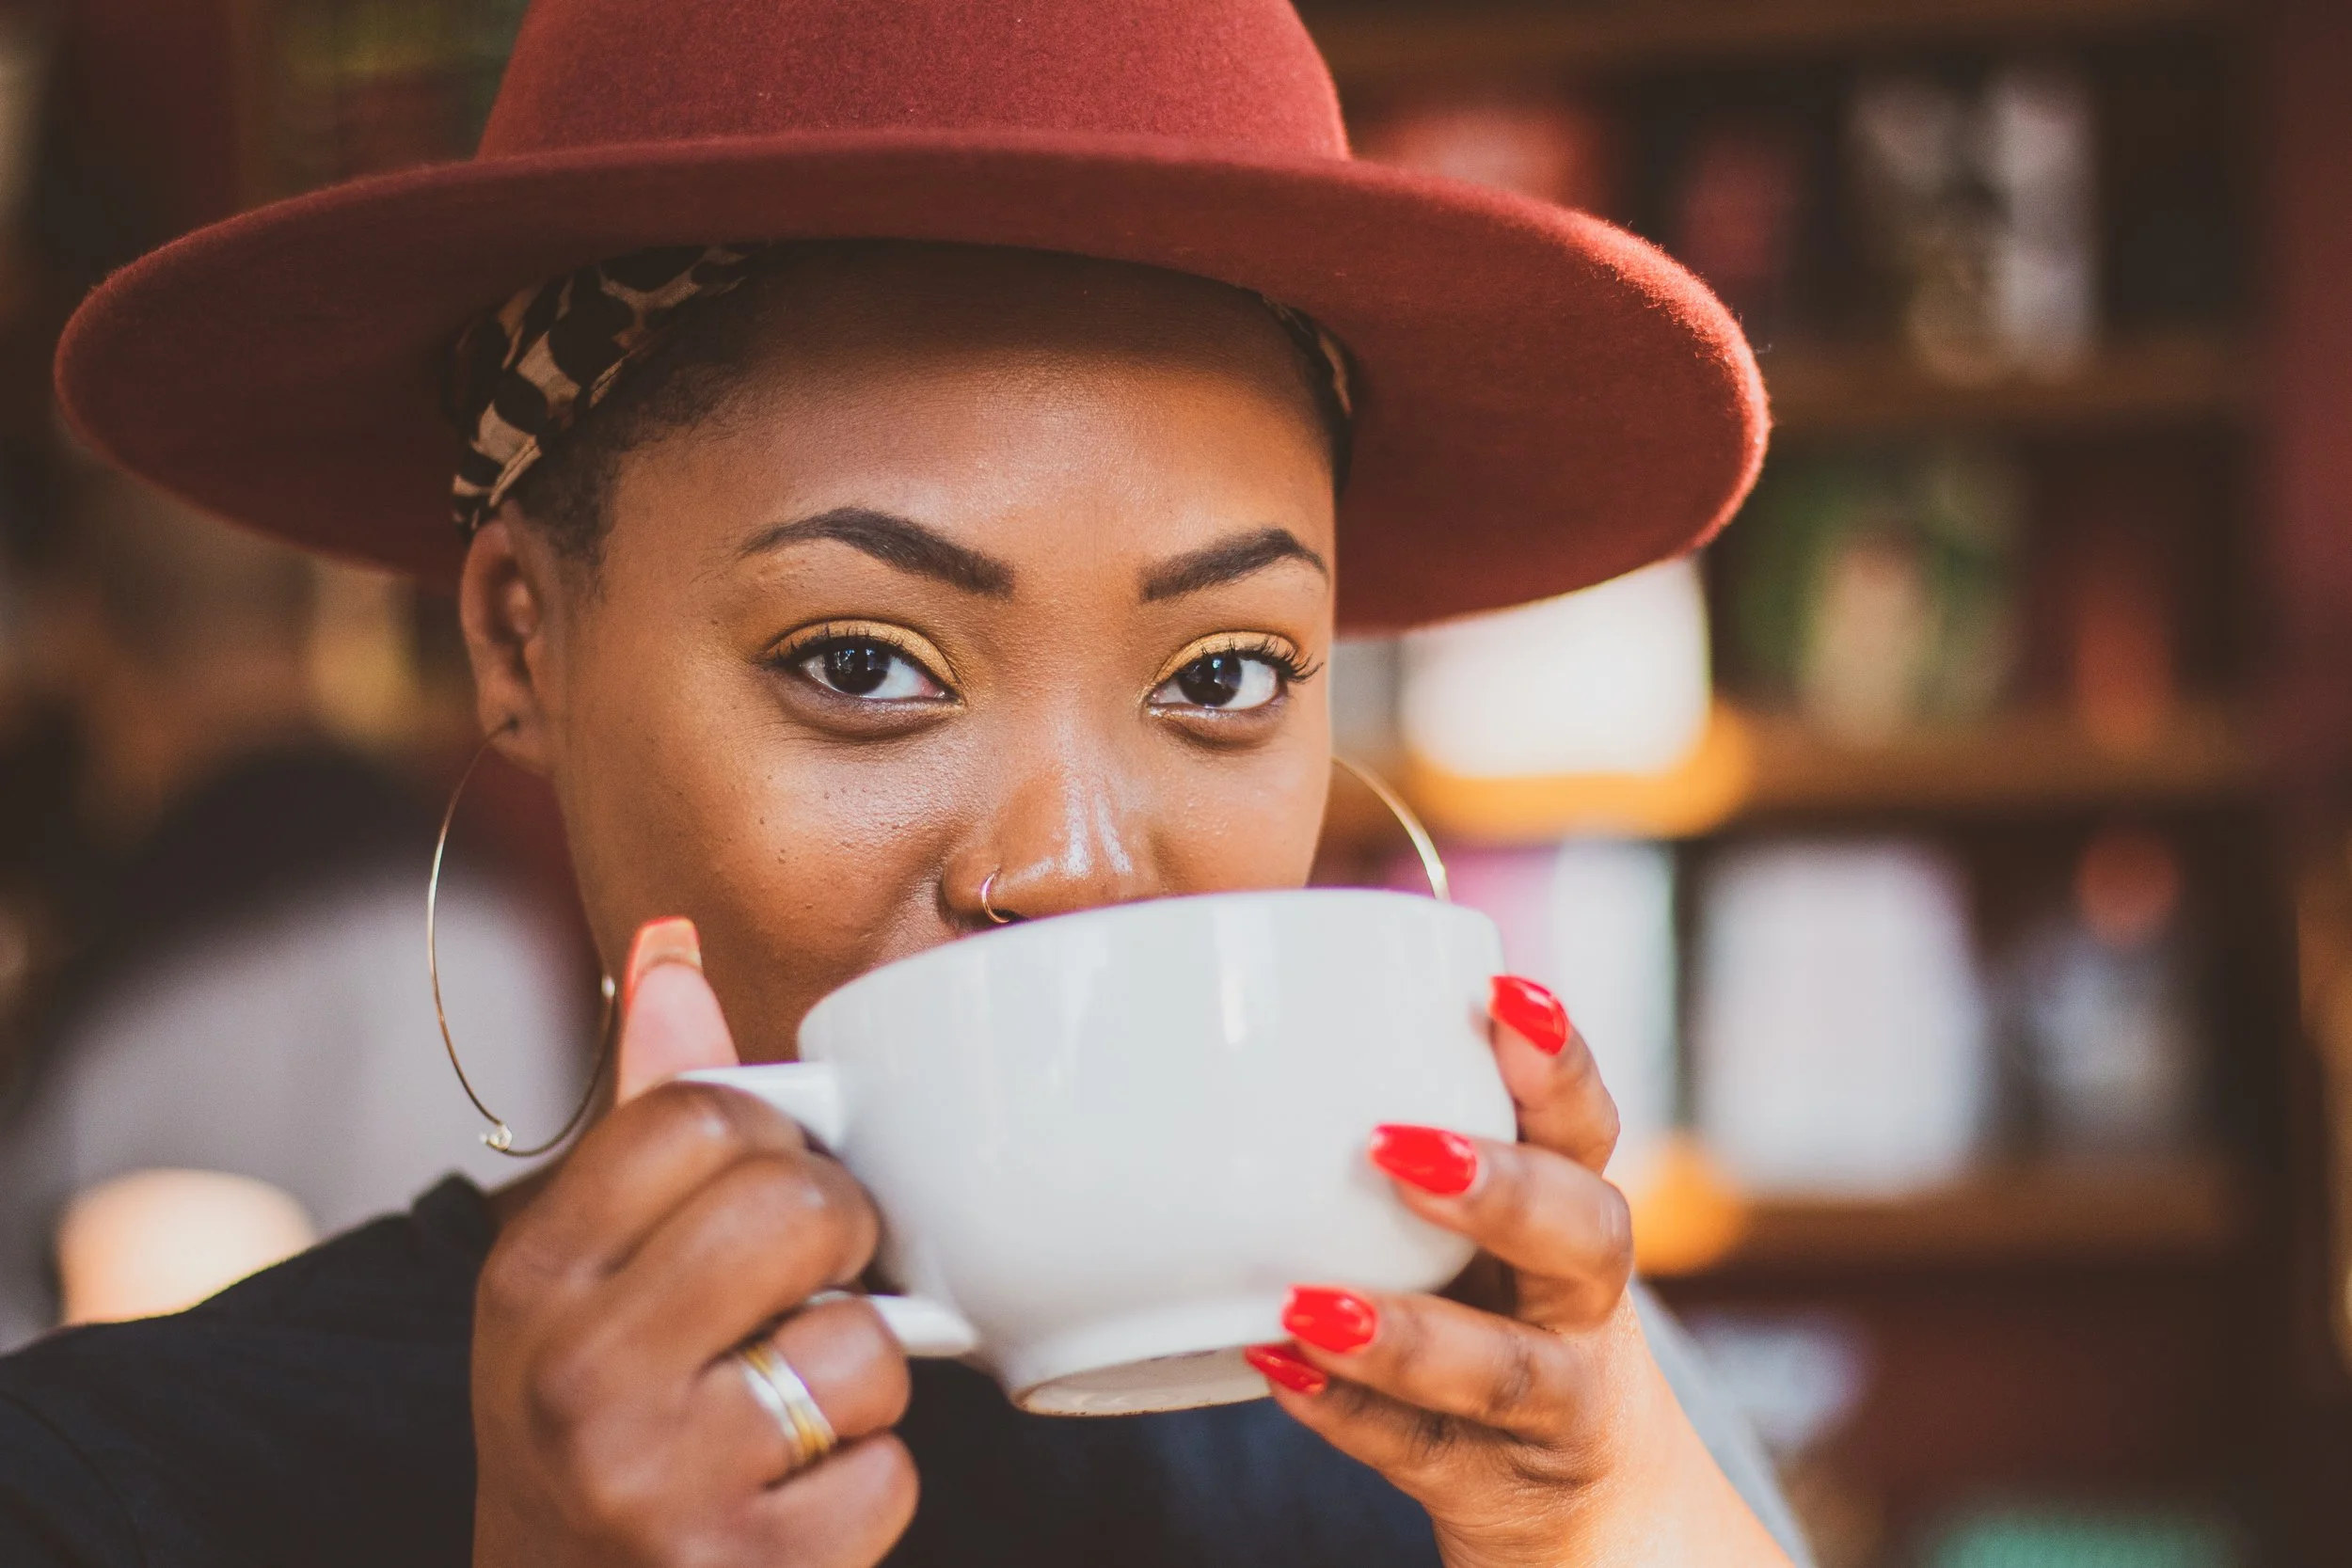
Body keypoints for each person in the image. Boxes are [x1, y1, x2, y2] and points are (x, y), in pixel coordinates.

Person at [0, 1, 1795, 1564]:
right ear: (521, 639)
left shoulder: (1530, 1428)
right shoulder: (112, 1493)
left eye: (1225, 676)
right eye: (863, 664)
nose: (1078, 870)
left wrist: (1604, 1519)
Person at [0, 466, 587, 1346]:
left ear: (82, 637)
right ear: (331, 622)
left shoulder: (209, 923)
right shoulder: (449, 877)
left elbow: (164, 1379)